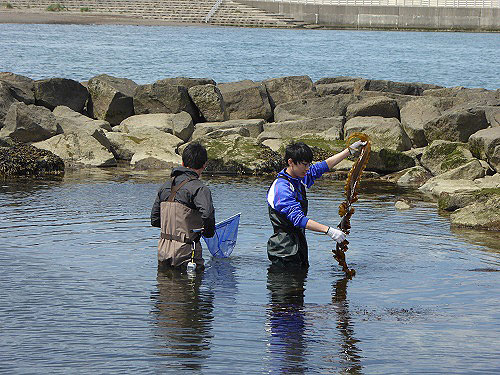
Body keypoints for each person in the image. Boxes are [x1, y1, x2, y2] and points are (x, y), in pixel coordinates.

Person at [266, 140, 365, 269]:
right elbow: (298, 219)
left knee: (300, 285)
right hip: (283, 251)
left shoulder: (298, 177)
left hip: (298, 246)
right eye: (304, 165)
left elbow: (322, 167)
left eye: (309, 165)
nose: (307, 169)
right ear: (291, 162)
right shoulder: (281, 188)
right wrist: (329, 231)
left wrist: (349, 151)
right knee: (287, 287)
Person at [151, 142, 215, 271]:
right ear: (204, 165)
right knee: (189, 288)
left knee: (164, 287)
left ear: (182, 163)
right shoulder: (200, 189)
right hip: (187, 252)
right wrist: (207, 232)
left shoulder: (165, 187)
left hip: (163, 250)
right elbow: (207, 216)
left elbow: (155, 220)